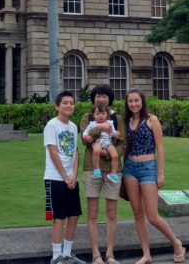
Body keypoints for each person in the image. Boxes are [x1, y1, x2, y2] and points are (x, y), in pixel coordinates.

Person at [122, 88, 185, 264]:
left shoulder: (151, 120)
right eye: (130, 101)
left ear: (142, 102)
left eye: (136, 101)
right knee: (137, 213)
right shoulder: (126, 121)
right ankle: (146, 255)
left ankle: (177, 243)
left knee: (152, 216)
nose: (133, 104)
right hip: (129, 169)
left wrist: (161, 173)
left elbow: (161, 147)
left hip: (148, 168)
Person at [79, 84, 125, 264]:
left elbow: (122, 143)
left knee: (112, 213)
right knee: (92, 213)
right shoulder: (87, 117)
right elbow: (85, 140)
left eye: (105, 96)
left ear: (109, 99)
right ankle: (96, 254)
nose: (101, 99)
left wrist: (110, 153)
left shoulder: (117, 118)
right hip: (92, 168)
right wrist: (101, 127)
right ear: (93, 99)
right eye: (98, 96)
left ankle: (110, 254)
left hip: (113, 169)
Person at [44, 91, 85, 264]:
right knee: (59, 217)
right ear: (57, 106)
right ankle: (56, 256)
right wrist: (64, 175)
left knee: (74, 215)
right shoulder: (52, 125)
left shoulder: (74, 127)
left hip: (71, 179)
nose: (69, 105)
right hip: (55, 178)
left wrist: (74, 175)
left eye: (71, 103)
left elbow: (75, 152)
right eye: (65, 103)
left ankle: (67, 254)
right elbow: (53, 152)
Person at [83, 103, 121, 183]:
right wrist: (86, 136)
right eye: (97, 114)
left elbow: (113, 133)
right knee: (96, 151)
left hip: (108, 142)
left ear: (107, 114)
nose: (100, 116)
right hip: (98, 141)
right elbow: (85, 132)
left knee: (115, 155)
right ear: (93, 115)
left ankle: (113, 173)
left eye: (103, 113)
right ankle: (96, 169)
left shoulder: (110, 123)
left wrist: (116, 134)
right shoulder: (92, 124)